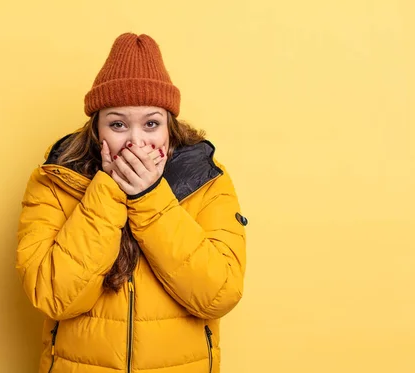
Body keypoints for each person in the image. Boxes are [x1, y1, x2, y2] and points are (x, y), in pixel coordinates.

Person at [16, 32, 248, 373]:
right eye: (118, 124)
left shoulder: (208, 181)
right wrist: (108, 192)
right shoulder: (54, 181)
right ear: (97, 130)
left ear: (170, 128)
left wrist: (149, 198)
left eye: (151, 124)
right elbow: (53, 295)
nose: (135, 141)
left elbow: (218, 293)